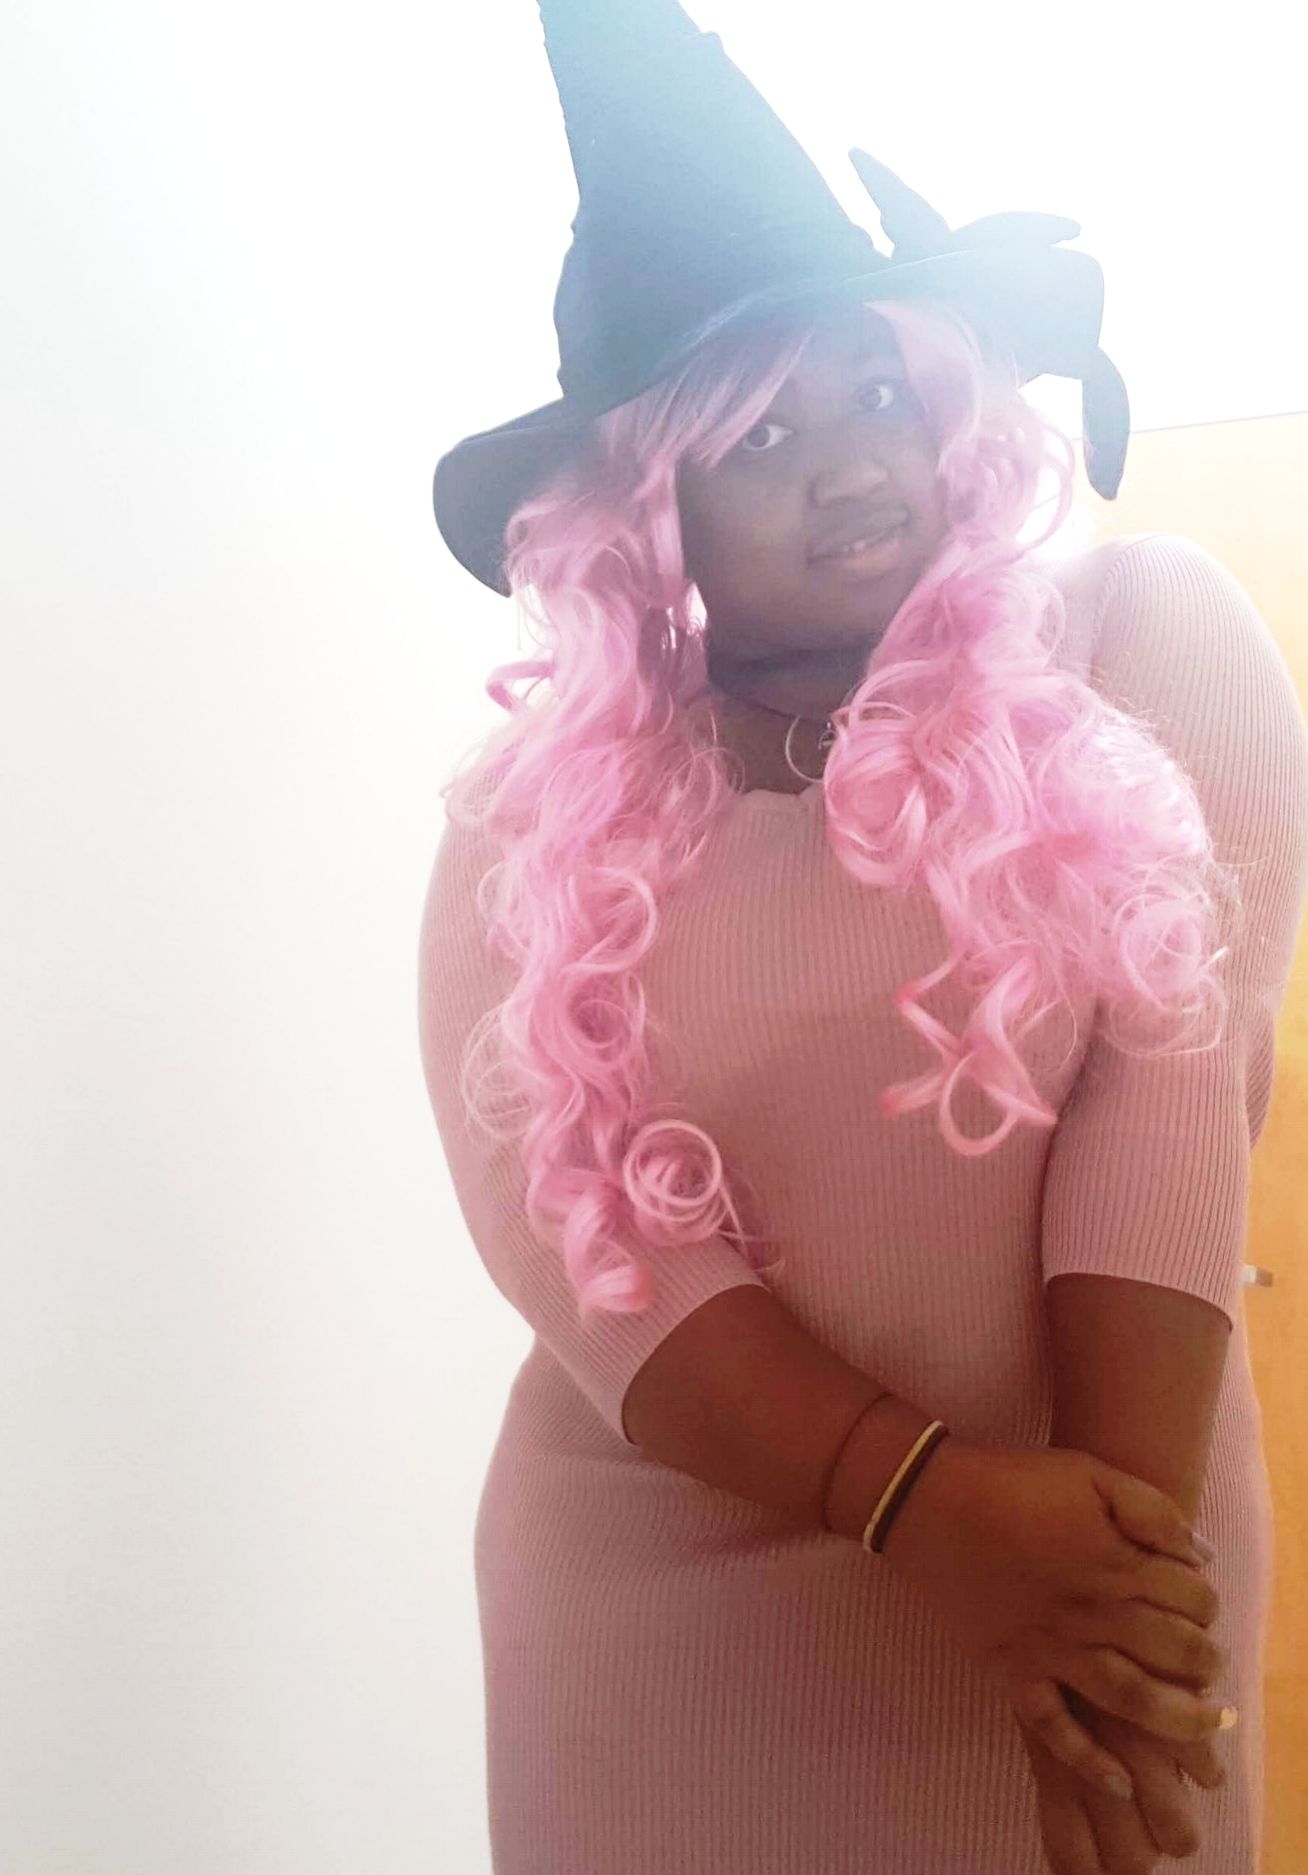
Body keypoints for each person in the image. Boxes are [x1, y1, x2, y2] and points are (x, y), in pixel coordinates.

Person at [418, 3, 1308, 1871]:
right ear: (650, 506)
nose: (847, 466)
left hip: (1094, 1545)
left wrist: (1094, 1644)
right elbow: (574, 1243)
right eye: (760, 433)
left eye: (876, 394)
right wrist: (924, 1505)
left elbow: (1170, 1109)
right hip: (663, 1627)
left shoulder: (1142, 634)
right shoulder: (532, 811)